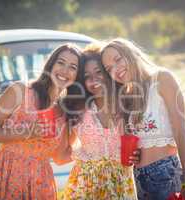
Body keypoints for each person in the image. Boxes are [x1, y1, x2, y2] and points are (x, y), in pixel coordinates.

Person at [0, 43, 83, 200]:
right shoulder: (20, 91)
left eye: (72, 67)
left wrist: (89, 149)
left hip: (40, 181)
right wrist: (26, 133)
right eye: (61, 62)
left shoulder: (65, 112)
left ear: (78, 75)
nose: (64, 71)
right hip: (8, 172)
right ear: (51, 64)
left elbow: (59, 157)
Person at [100, 38, 185, 200]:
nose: (115, 70)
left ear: (131, 53)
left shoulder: (162, 78)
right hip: (137, 178)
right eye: (109, 69)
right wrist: (136, 153)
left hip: (165, 173)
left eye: (118, 59)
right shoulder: (128, 94)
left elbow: (181, 132)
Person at [63, 43, 138, 200]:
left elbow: (139, 144)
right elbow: (63, 153)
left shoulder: (127, 106)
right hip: (84, 187)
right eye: (87, 77)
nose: (94, 80)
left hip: (121, 186)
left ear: (108, 72)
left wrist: (138, 155)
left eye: (99, 72)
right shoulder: (79, 110)